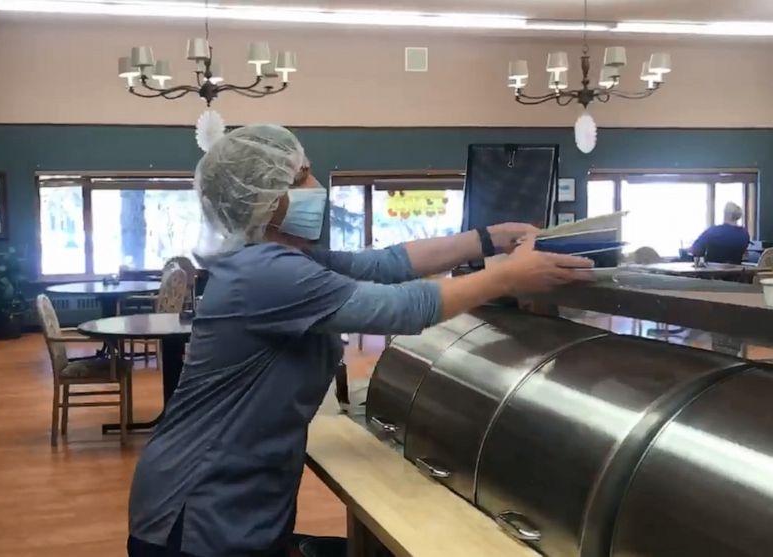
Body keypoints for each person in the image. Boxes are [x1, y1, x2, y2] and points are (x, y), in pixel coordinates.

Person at [127, 124, 592, 557]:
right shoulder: (266, 273)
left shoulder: (283, 261)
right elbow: (402, 307)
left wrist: (487, 239)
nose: (315, 191)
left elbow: (386, 264)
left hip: (236, 497)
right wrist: (508, 277)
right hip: (197, 510)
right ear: (266, 200)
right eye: (302, 178)